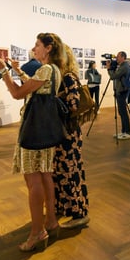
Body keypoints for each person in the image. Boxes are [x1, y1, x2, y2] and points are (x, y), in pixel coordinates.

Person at [0, 32, 64, 252]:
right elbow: (34, 86)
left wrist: (3, 70)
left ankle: (37, 232)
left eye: (37, 45)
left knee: (33, 181)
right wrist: (17, 70)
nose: (34, 49)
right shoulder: (54, 71)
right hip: (46, 132)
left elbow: (16, 93)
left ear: (49, 48)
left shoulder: (45, 69)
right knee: (45, 176)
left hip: (34, 132)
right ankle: (50, 222)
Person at [55, 44, 90, 229]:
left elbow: (73, 104)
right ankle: (64, 207)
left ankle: (79, 213)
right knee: (60, 172)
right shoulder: (61, 77)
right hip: (60, 133)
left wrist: (51, 101)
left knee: (71, 172)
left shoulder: (68, 78)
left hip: (68, 134)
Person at [107, 52, 130, 140]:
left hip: (122, 91)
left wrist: (109, 69)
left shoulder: (124, 66)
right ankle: (123, 131)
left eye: (118, 57)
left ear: (123, 57)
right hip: (120, 90)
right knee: (121, 112)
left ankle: (127, 132)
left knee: (123, 112)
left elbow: (113, 76)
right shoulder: (122, 66)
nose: (116, 58)